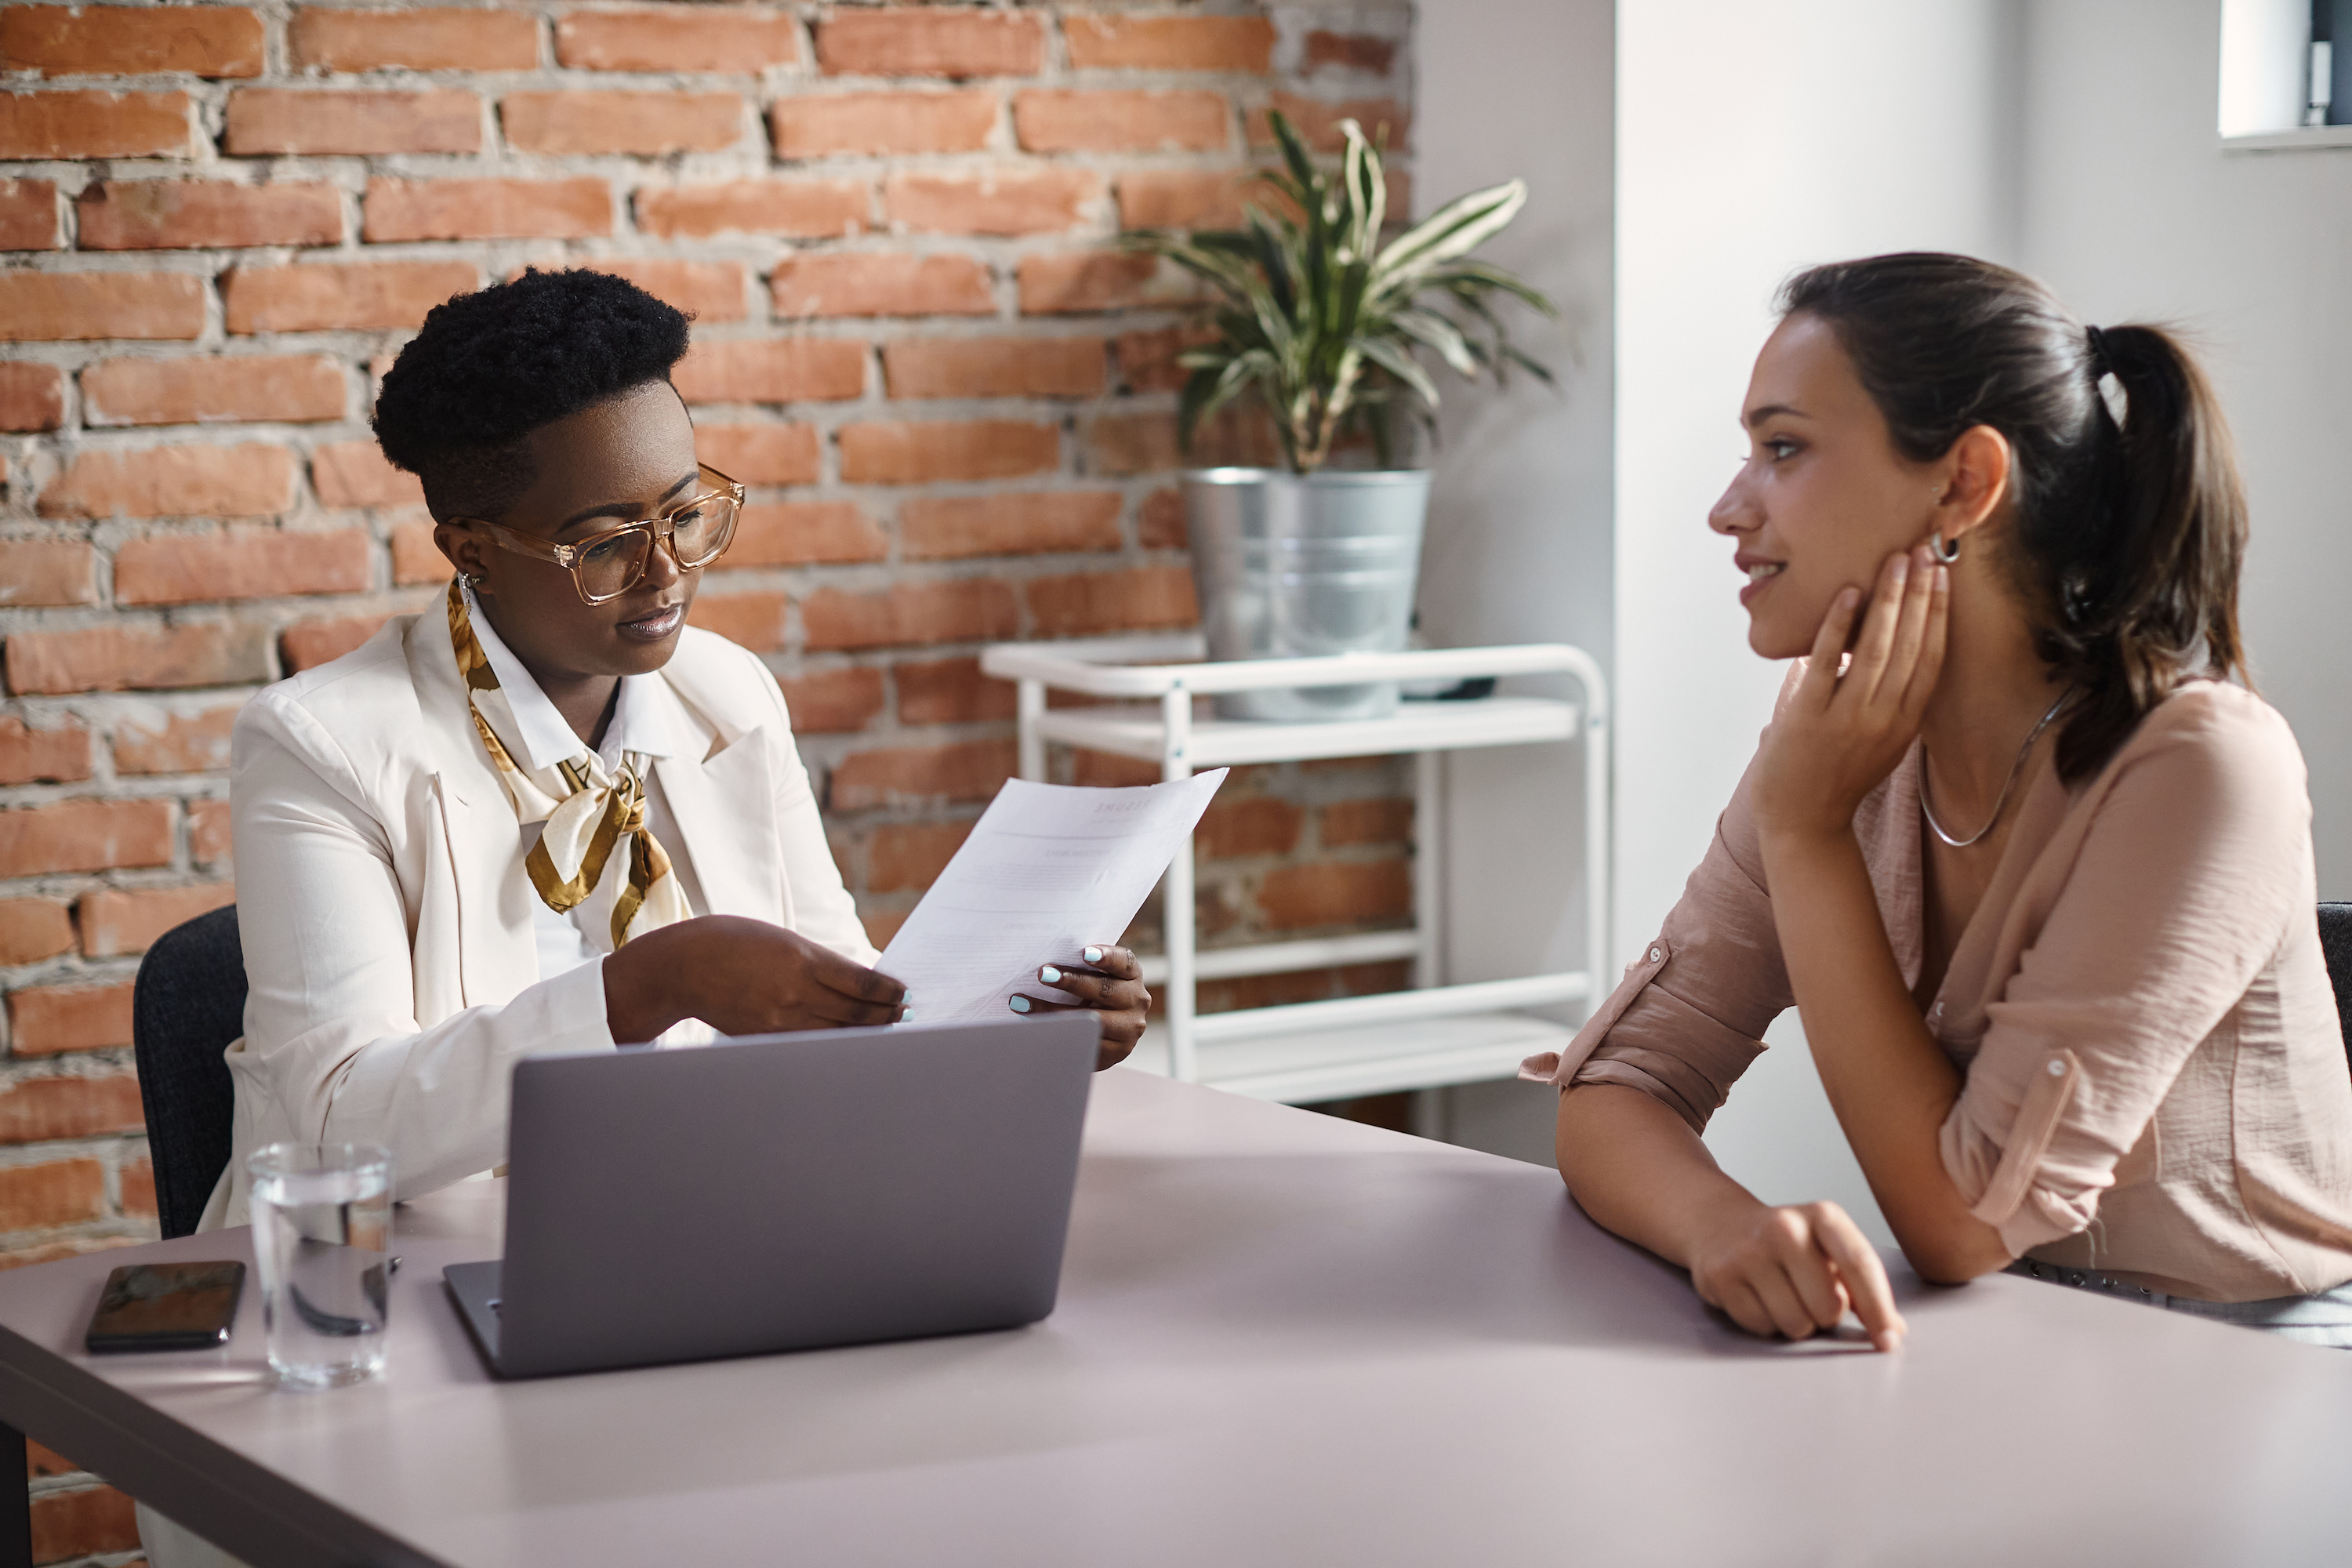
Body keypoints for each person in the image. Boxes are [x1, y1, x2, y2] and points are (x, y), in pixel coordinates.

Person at [140, 269, 1156, 1565]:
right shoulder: (325, 743)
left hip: (693, 1263)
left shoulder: (728, 694)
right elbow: (343, 1120)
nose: (666, 571)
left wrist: (1030, 1021)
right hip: (396, 1308)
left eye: (690, 512)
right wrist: (647, 986)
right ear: (471, 546)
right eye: (607, 539)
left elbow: (849, 1009)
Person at [1529, 252, 2352, 1353]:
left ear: (1965, 484)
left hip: (2262, 1369)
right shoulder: (1841, 744)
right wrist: (1722, 1226)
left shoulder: (2204, 769)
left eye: (1784, 449)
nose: (1730, 510)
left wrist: (1809, 830)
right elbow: (1619, 1087)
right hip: (2012, 1345)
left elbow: (1963, 1225)